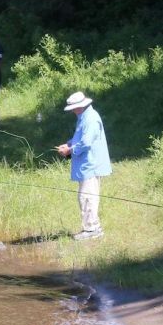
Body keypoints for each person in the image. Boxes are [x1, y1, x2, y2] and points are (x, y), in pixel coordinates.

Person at [55, 91, 112, 240]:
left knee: (87, 197)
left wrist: (69, 150)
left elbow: (86, 143)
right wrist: (68, 144)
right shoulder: (84, 117)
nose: (73, 111)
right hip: (85, 164)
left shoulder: (91, 119)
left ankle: (91, 229)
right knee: (86, 196)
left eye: (74, 108)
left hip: (91, 164)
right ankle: (94, 227)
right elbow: (80, 138)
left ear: (80, 106)